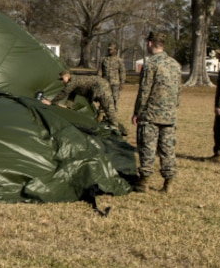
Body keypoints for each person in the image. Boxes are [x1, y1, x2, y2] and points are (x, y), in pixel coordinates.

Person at [132, 32, 182, 193]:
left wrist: (137, 112)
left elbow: (144, 90)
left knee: (147, 147)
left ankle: (144, 182)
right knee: (167, 148)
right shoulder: (175, 64)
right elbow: (178, 91)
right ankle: (169, 183)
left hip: (150, 114)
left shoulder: (151, 64)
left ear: (150, 43)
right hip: (169, 114)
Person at [42, 70, 124, 132]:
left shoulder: (73, 81)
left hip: (101, 85)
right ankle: (107, 120)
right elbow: (71, 95)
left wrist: (51, 102)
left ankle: (115, 126)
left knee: (108, 106)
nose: (61, 81)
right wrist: (68, 106)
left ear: (67, 76)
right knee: (105, 106)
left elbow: (64, 92)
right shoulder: (73, 83)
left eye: (62, 79)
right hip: (99, 85)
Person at [98, 43, 127, 112]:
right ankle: (101, 113)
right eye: (108, 49)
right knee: (103, 98)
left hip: (115, 83)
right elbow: (100, 71)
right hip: (105, 83)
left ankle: (112, 114)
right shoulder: (104, 60)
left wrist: (122, 83)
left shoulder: (119, 60)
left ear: (115, 50)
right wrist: (99, 81)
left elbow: (122, 72)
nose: (109, 51)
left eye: (111, 49)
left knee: (114, 99)